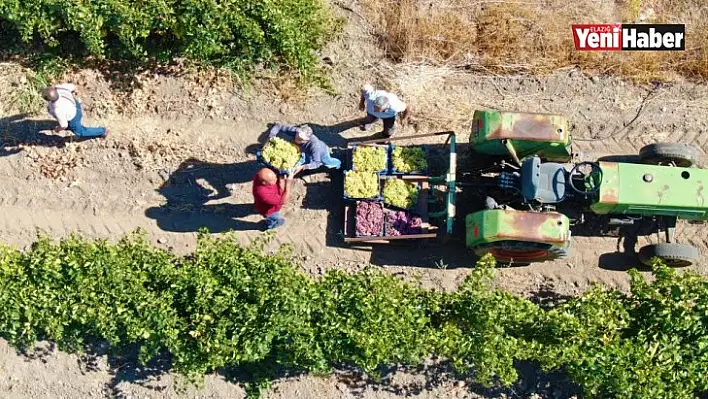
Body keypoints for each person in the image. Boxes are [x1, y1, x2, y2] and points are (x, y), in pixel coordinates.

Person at [267, 123, 341, 175]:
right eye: (297, 136)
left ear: (306, 140)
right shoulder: (296, 131)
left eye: (300, 139)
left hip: (322, 153)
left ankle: (338, 164)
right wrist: (271, 136)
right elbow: (278, 126)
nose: (297, 139)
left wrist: (304, 166)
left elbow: (317, 163)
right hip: (305, 152)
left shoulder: (314, 146)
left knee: (328, 162)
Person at [42, 83, 108, 138]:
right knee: (68, 123)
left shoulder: (58, 110)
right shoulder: (59, 88)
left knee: (80, 132)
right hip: (75, 105)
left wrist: (57, 129)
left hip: (73, 117)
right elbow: (73, 87)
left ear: (49, 100)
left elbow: (64, 125)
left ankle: (103, 131)